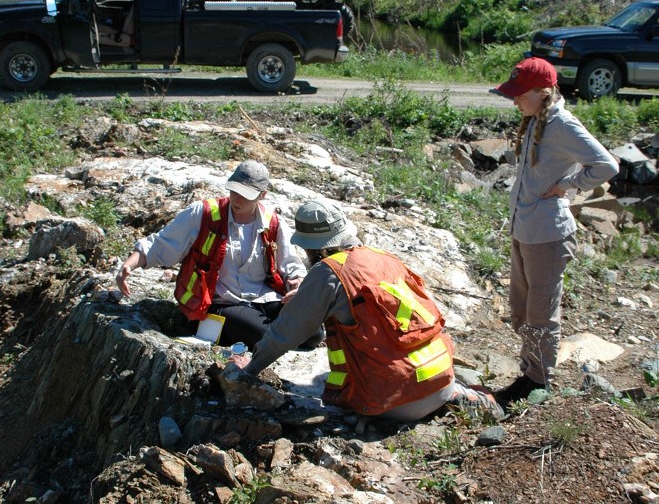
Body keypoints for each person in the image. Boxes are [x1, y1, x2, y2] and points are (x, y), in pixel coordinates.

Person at [230, 199, 504, 422]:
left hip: (392, 403)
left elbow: (285, 334)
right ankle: (457, 396)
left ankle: (384, 409)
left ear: (309, 246)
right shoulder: (385, 258)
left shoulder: (327, 273)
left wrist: (250, 368)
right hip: (440, 380)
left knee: (330, 388)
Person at [493, 57, 619, 406]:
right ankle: (531, 368)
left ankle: (537, 381)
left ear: (542, 91)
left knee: (540, 314)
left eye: (520, 94)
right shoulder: (536, 118)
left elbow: (607, 164)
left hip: (548, 235)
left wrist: (569, 185)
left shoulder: (562, 123)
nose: (515, 100)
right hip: (526, 230)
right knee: (521, 307)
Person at [116, 159, 324, 350]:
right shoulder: (203, 213)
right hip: (217, 302)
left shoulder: (272, 222)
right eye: (234, 190)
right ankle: (238, 330)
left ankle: (268, 332)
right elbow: (161, 245)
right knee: (265, 336)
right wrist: (130, 264)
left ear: (262, 195)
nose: (237, 198)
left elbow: (291, 265)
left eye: (246, 194)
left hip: (262, 297)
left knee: (314, 334)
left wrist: (297, 287)